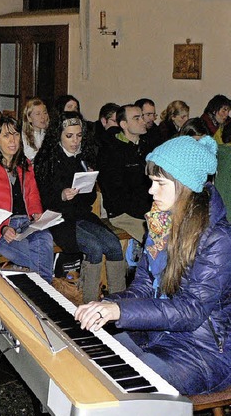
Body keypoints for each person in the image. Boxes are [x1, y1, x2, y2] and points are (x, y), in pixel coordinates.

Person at [75, 135, 231, 396]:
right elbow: (142, 288)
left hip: (202, 352)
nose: (151, 190)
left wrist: (119, 311)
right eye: (152, 182)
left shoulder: (219, 239)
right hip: (157, 335)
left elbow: (191, 311)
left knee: (123, 390)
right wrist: (105, 305)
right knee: (87, 362)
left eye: (160, 183)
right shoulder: (160, 224)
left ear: (185, 185)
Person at [34, 111, 126, 303]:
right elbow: (42, 198)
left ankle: (120, 302)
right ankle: (89, 302)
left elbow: (89, 199)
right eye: (69, 136)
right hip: (58, 218)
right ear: (58, 135)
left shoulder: (84, 156)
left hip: (81, 215)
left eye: (78, 135)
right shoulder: (48, 159)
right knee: (93, 248)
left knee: (114, 246)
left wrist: (89, 181)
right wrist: (61, 195)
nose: (75, 141)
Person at [0, 115, 54, 282]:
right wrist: (3, 228)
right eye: (6, 135)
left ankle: (43, 292)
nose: (13, 140)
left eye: (16, 134)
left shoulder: (23, 163)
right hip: (0, 228)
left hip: (25, 223)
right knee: (37, 258)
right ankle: (47, 291)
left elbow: (32, 195)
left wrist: (36, 215)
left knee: (44, 238)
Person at [97, 104, 153, 244]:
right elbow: (115, 192)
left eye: (142, 117)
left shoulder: (147, 146)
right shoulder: (110, 151)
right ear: (124, 124)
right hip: (124, 214)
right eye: (137, 118)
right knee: (156, 243)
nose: (143, 121)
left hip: (147, 210)